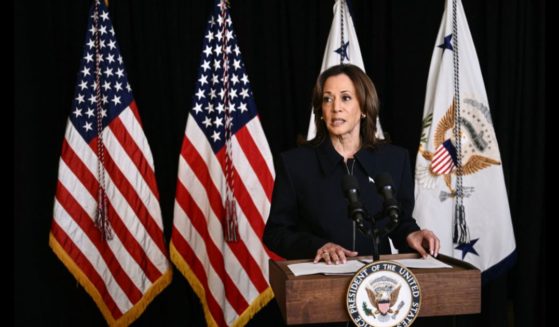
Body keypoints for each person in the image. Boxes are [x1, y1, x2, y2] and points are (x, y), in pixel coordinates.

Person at [263, 64, 439, 265]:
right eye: (328, 99)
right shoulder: (295, 164)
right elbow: (276, 233)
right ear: (321, 110)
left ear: (364, 107)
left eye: (346, 98)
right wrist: (317, 246)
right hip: (319, 281)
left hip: (378, 284)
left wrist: (412, 233)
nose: (336, 107)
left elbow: (399, 221)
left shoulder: (395, 160)